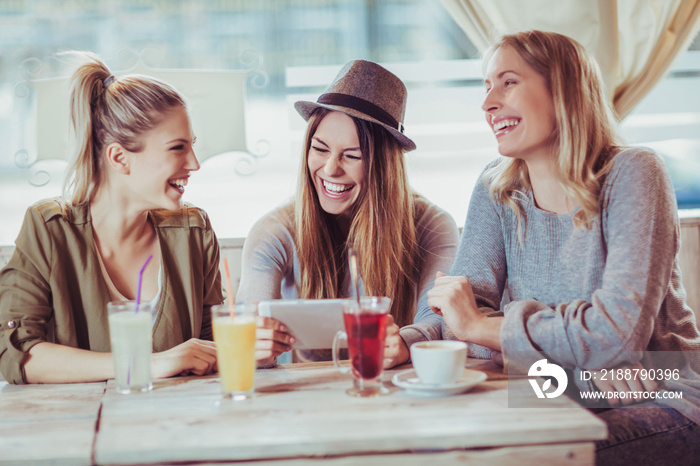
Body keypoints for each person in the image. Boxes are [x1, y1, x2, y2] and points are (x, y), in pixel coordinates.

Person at [427, 30, 700, 464]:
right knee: (442, 441)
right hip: (556, 384)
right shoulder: (496, 187)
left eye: (508, 82)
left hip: (663, 388)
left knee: (526, 457)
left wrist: (484, 326)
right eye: (486, 86)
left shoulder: (635, 173)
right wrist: (582, 362)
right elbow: (457, 319)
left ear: (564, 89)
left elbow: (616, 336)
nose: (488, 103)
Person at [0, 52, 224, 384]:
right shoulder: (49, 230)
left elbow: (212, 346)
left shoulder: (193, 231)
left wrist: (250, 347)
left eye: (192, 146)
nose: (194, 163)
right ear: (120, 157)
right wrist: (144, 363)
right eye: (178, 148)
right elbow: (13, 353)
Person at [237, 60, 459, 367]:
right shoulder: (274, 231)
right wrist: (253, 345)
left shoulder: (432, 225)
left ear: (384, 166)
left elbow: (439, 323)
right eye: (320, 149)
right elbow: (246, 327)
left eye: (351, 156)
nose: (330, 169)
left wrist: (406, 343)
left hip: (392, 390)